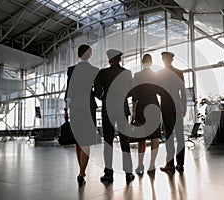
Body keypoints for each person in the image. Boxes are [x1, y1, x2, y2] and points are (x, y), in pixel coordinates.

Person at [64, 44, 101, 186]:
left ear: (78, 55)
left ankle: (81, 171)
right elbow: (98, 93)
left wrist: (66, 108)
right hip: (89, 107)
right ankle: (81, 172)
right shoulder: (94, 70)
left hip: (75, 108)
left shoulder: (71, 70)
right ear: (90, 54)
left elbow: (69, 91)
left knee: (78, 140)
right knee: (85, 141)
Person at [96, 49, 135, 184]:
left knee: (108, 142)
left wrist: (105, 97)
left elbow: (97, 92)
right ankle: (128, 172)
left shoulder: (102, 73)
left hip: (108, 109)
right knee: (125, 140)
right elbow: (132, 91)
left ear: (109, 60)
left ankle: (108, 173)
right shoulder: (127, 73)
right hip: (122, 109)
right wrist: (123, 96)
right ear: (119, 59)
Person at [131, 54, 161, 177]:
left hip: (142, 107)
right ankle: (152, 165)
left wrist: (133, 112)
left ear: (142, 62)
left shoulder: (137, 76)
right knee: (155, 137)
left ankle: (140, 164)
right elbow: (160, 92)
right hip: (154, 106)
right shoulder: (156, 75)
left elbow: (135, 96)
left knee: (141, 138)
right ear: (151, 62)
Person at [158, 52, 187, 173]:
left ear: (164, 60)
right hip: (177, 107)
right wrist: (184, 107)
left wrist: (164, 95)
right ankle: (180, 164)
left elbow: (158, 91)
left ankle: (170, 164)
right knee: (180, 136)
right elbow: (183, 92)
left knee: (169, 135)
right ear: (172, 60)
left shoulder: (160, 74)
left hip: (166, 106)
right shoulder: (179, 73)